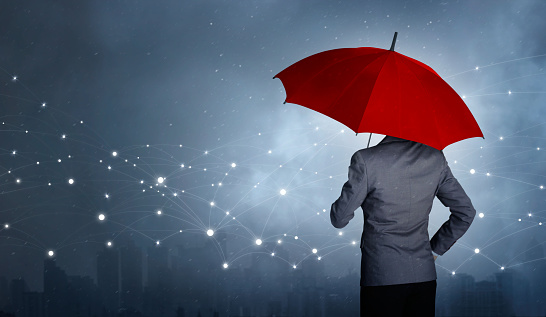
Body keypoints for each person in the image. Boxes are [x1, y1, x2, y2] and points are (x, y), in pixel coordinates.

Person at [330, 135, 476, 317]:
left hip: (382, 275)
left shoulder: (366, 159)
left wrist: (360, 183)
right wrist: (435, 250)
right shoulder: (435, 158)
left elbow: (339, 218)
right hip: (424, 276)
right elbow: (465, 212)